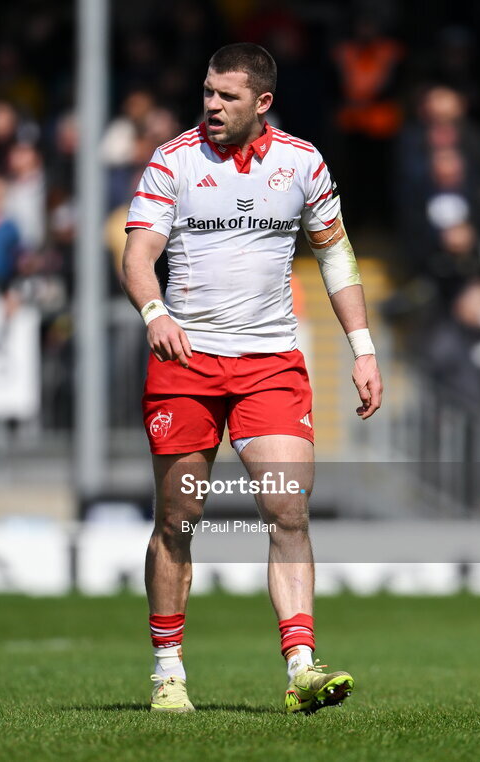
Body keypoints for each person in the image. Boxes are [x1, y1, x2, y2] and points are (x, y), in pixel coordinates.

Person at [119, 43, 383, 714]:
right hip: (187, 364)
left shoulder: (303, 163)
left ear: (262, 102)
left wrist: (363, 348)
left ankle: (300, 668)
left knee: (288, 510)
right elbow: (139, 254)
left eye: (227, 96)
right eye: (207, 91)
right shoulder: (172, 162)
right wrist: (154, 312)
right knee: (180, 517)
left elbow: (336, 254)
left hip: (270, 364)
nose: (211, 104)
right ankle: (167, 671)